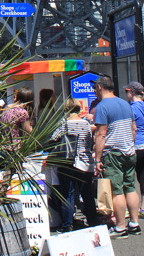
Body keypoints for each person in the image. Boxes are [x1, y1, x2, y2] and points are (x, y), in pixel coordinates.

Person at [91, 75, 141, 239]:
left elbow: (101, 135)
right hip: (129, 151)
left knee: (117, 191)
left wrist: (98, 158)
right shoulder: (125, 104)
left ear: (99, 87)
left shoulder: (102, 106)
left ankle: (120, 226)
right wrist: (129, 144)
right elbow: (134, 129)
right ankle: (134, 223)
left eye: (94, 88)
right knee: (130, 187)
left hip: (113, 153)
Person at [46, 98, 94, 232]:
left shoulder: (64, 123)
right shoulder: (85, 124)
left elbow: (53, 138)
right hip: (85, 162)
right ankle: (93, 221)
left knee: (67, 194)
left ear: (66, 109)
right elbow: (89, 142)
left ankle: (68, 225)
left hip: (68, 162)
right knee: (87, 194)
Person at [124, 81, 144, 219]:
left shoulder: (132, 108)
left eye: (126, 92)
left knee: (128, 177)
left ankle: (129, 208)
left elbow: (130, 127)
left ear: (131, 92)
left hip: (134, 145)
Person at [0, 87, 34, 193]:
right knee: (9, 177)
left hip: (3, 147)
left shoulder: (7, 108)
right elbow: (28, 130)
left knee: (5, 176)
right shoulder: (22, 112)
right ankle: (0, 195)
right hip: (14, 148)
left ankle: (1, 194)